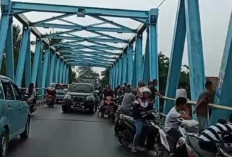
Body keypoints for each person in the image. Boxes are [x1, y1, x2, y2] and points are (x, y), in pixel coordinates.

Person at [131, 87, 153, 152]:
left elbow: (150, 108)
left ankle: (142, 144)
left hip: (144, 118)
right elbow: (138, 110)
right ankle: (134, 146)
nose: (147, 95)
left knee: (147, 129)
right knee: (139, 131)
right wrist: (143, 112)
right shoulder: (137, 102)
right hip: (138, 119)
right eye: (146, 93)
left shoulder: (147, 102)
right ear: (142, 94)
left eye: (148, 94)